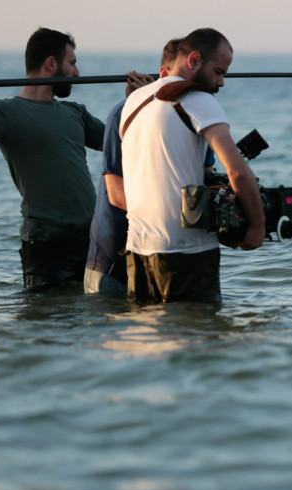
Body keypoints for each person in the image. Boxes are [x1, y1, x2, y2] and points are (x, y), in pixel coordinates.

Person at [0, 28, 106, 289]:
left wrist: (139, 99)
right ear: (51, 63)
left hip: (90, 239)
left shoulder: (75, 113)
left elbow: (124, 142)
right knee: (44, 323)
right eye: (72, 63)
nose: (77, 73)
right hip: (45, 245)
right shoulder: (9, 112)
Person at [121, 28, 265, 303]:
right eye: (219, 71)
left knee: (145, 340)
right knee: (199, 340)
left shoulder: (134, 101)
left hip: (137, 248)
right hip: (185, 252)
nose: (221, 82)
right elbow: (237, 172)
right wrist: (256, 227)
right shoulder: (198, 99)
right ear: (194, 60)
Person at [84, 38, 215, 297]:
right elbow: (117, 195)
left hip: (169, 255)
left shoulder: (199, 115)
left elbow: (206, 182)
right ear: (164, 75)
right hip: (112, 255)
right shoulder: (121, 113)